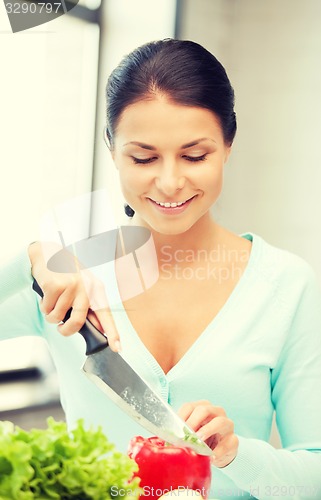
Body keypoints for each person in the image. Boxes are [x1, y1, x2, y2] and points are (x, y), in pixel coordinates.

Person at [1, 39, 321, 500]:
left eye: (195, 156)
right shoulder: (69, 271)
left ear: (228, 145)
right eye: (144, 158)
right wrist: (33, 257)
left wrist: (236, 455)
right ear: (112, 150)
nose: (170, 182)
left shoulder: (287, 286)